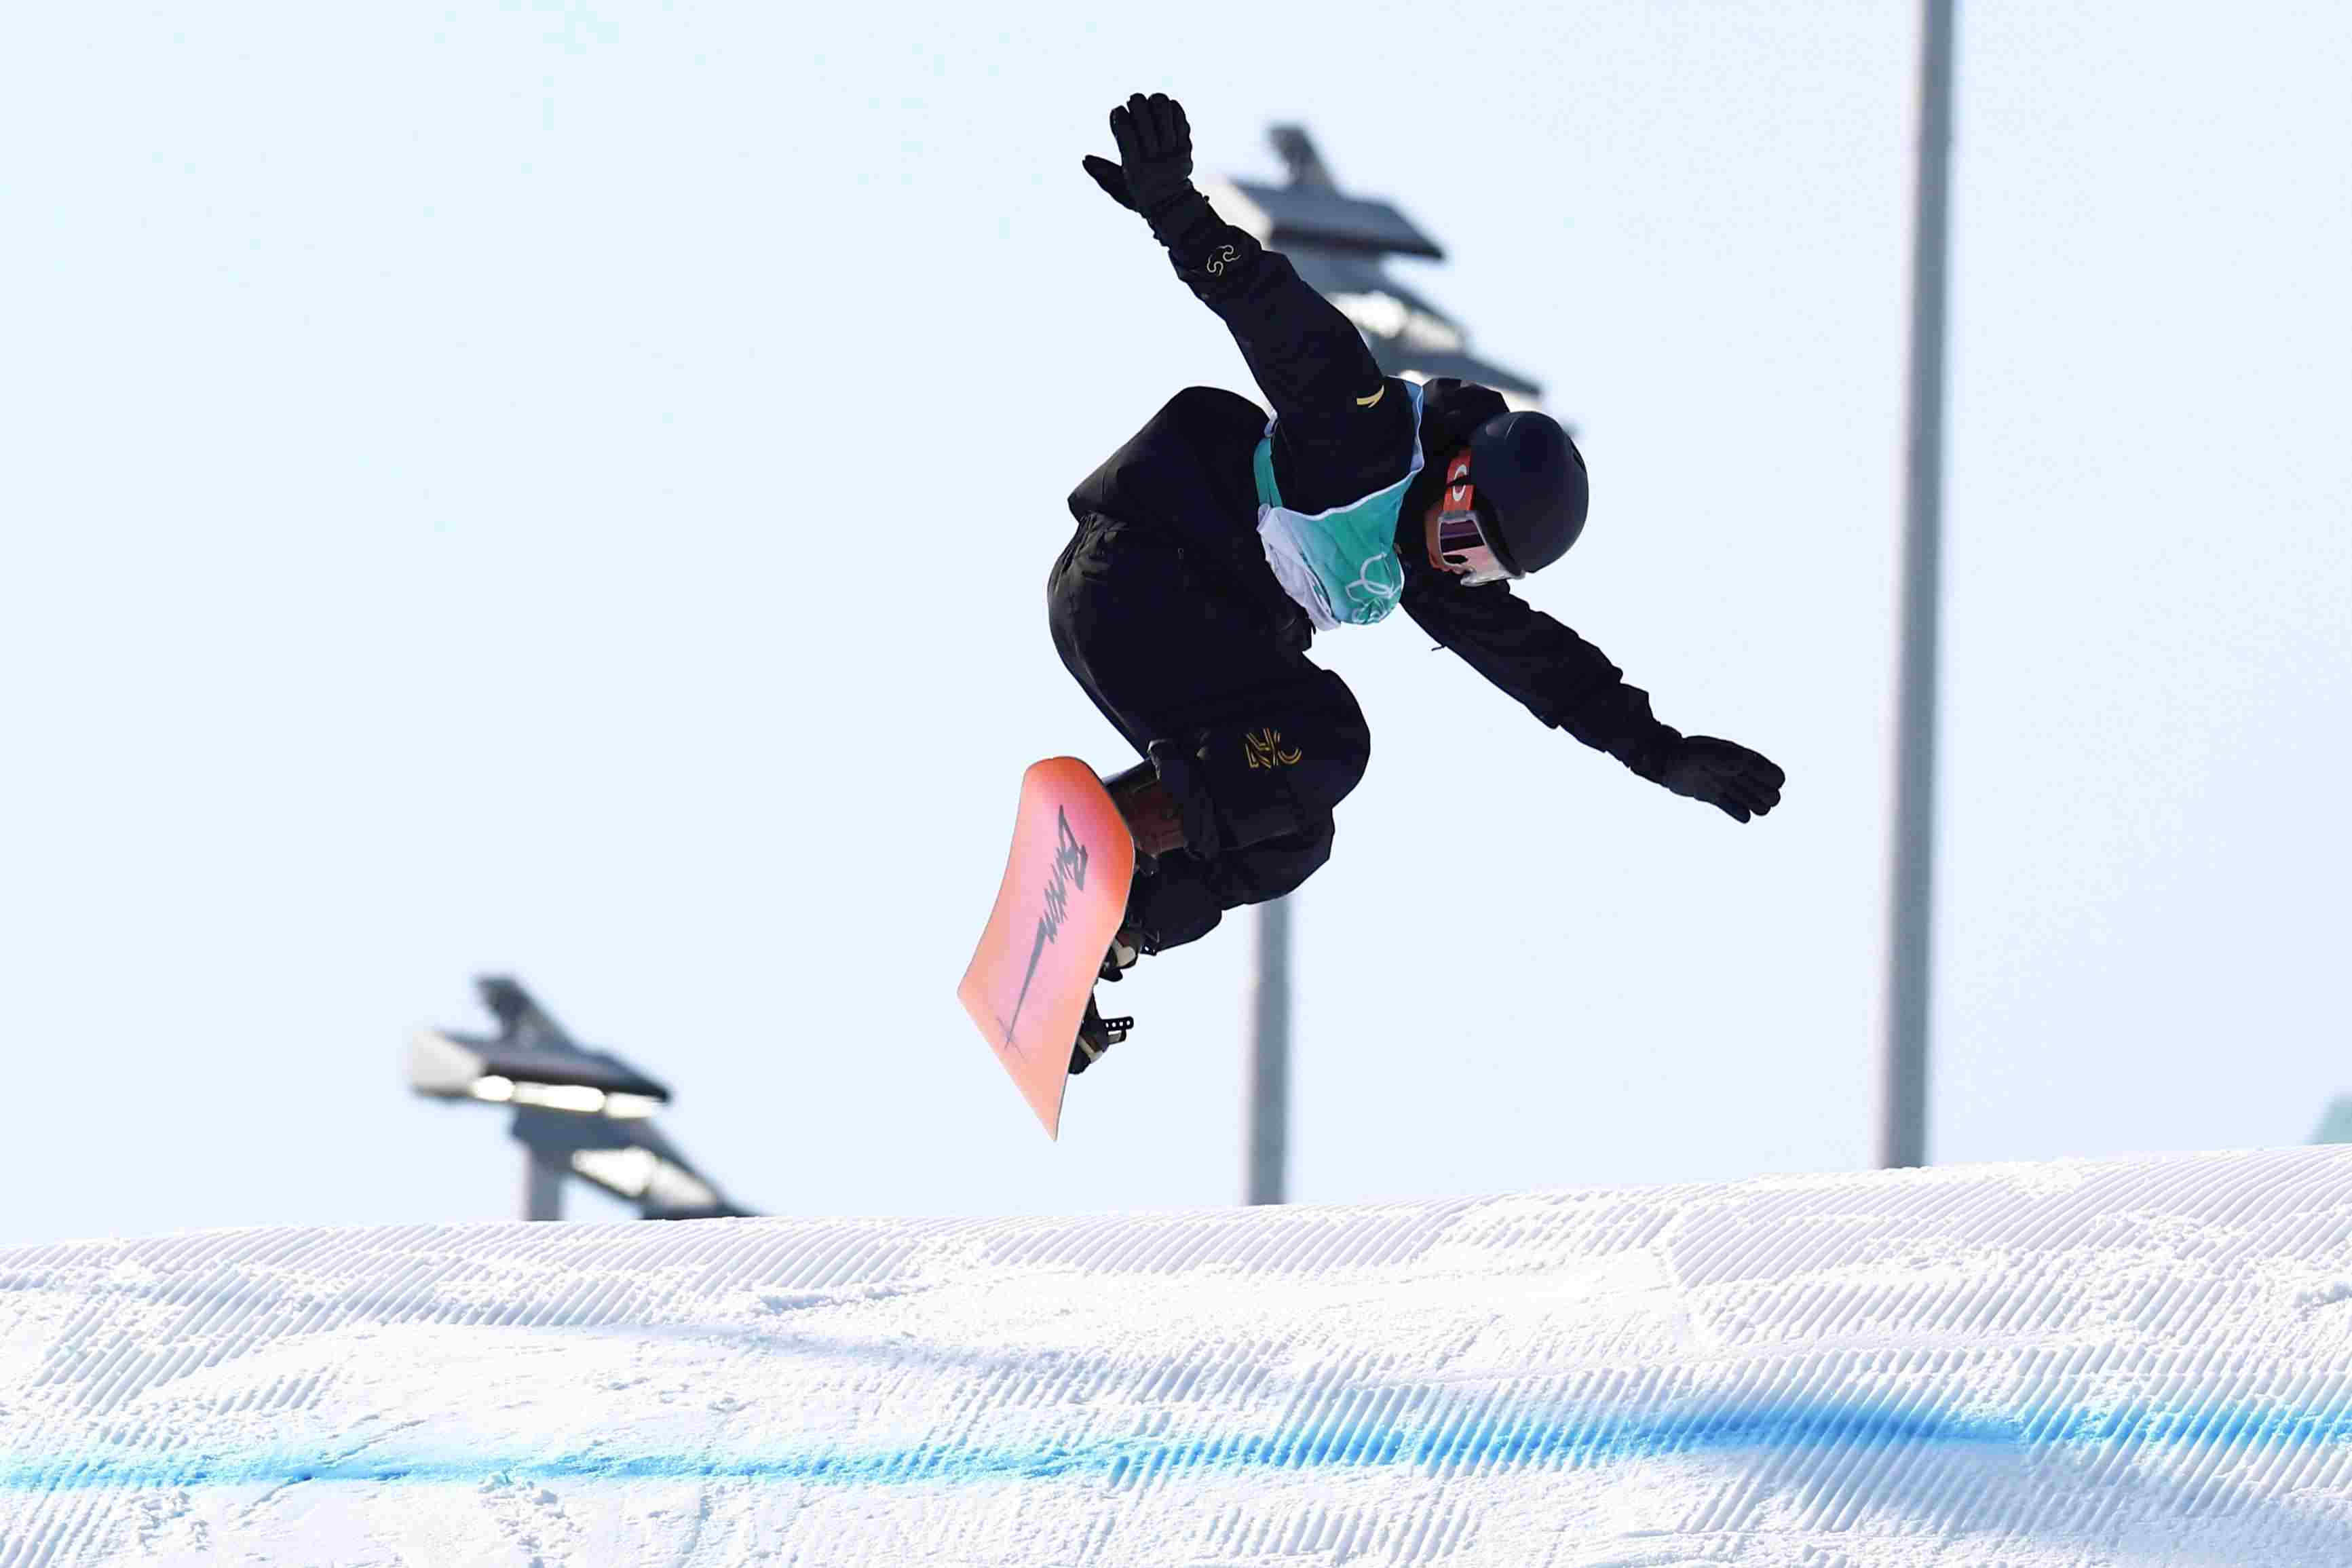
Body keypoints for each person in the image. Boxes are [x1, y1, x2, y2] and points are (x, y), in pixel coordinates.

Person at [1051, 94, 1785, 1073]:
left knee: (1290, 834)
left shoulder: (1432, 571)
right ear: (1457, 475)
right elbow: (1267, 307)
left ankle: (1113, 929)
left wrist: (1660, 752)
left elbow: (1545, 666)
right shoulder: (1361, 428)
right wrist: (1173, 205)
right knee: (1328, 734)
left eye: (1483, 564)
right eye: (1464, 535)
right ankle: (1127, 829)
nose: (1455, 563)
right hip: (1139, 579)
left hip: (1187, 644)